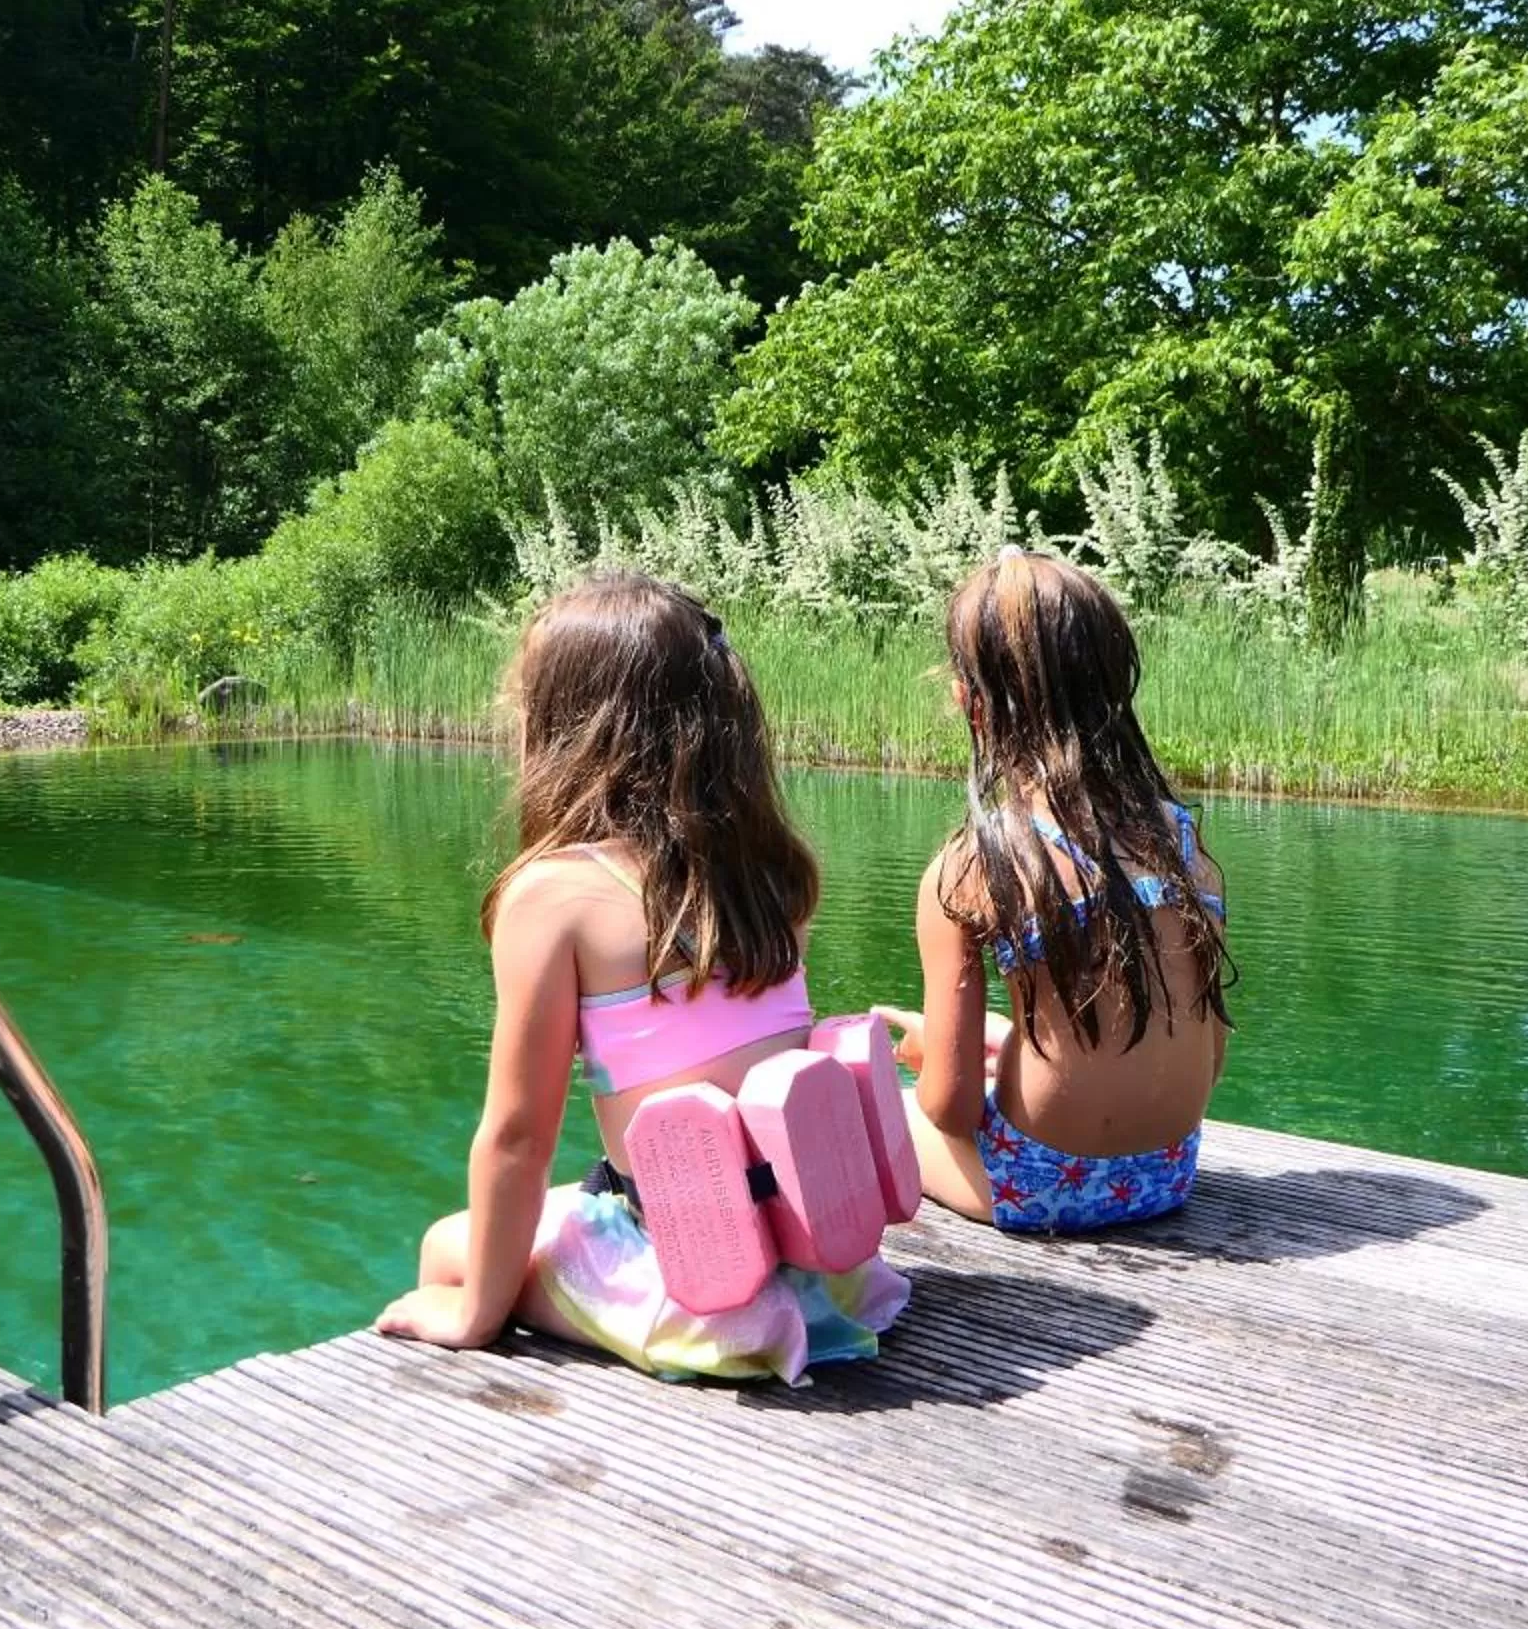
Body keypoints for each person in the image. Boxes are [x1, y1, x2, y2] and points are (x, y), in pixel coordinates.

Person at [375, 572, 908, 1381]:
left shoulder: (554, 896)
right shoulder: (778, 873)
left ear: (563, 726)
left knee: (447, 1245)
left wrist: (476, 1313)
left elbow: (519, 1137)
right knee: (572, 1201)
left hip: (699, 1293)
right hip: (828, 1274)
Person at [879, 551, 1231, 1232]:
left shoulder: (972, 865)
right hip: (1167, 1173)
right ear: (1115, 681)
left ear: (969, 703)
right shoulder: (1184, 841)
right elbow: (1209, 1059)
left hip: (1040, 1191)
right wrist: (1013, 1044)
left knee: (882, 1110)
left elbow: (948, 1109)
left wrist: (938, 1061)